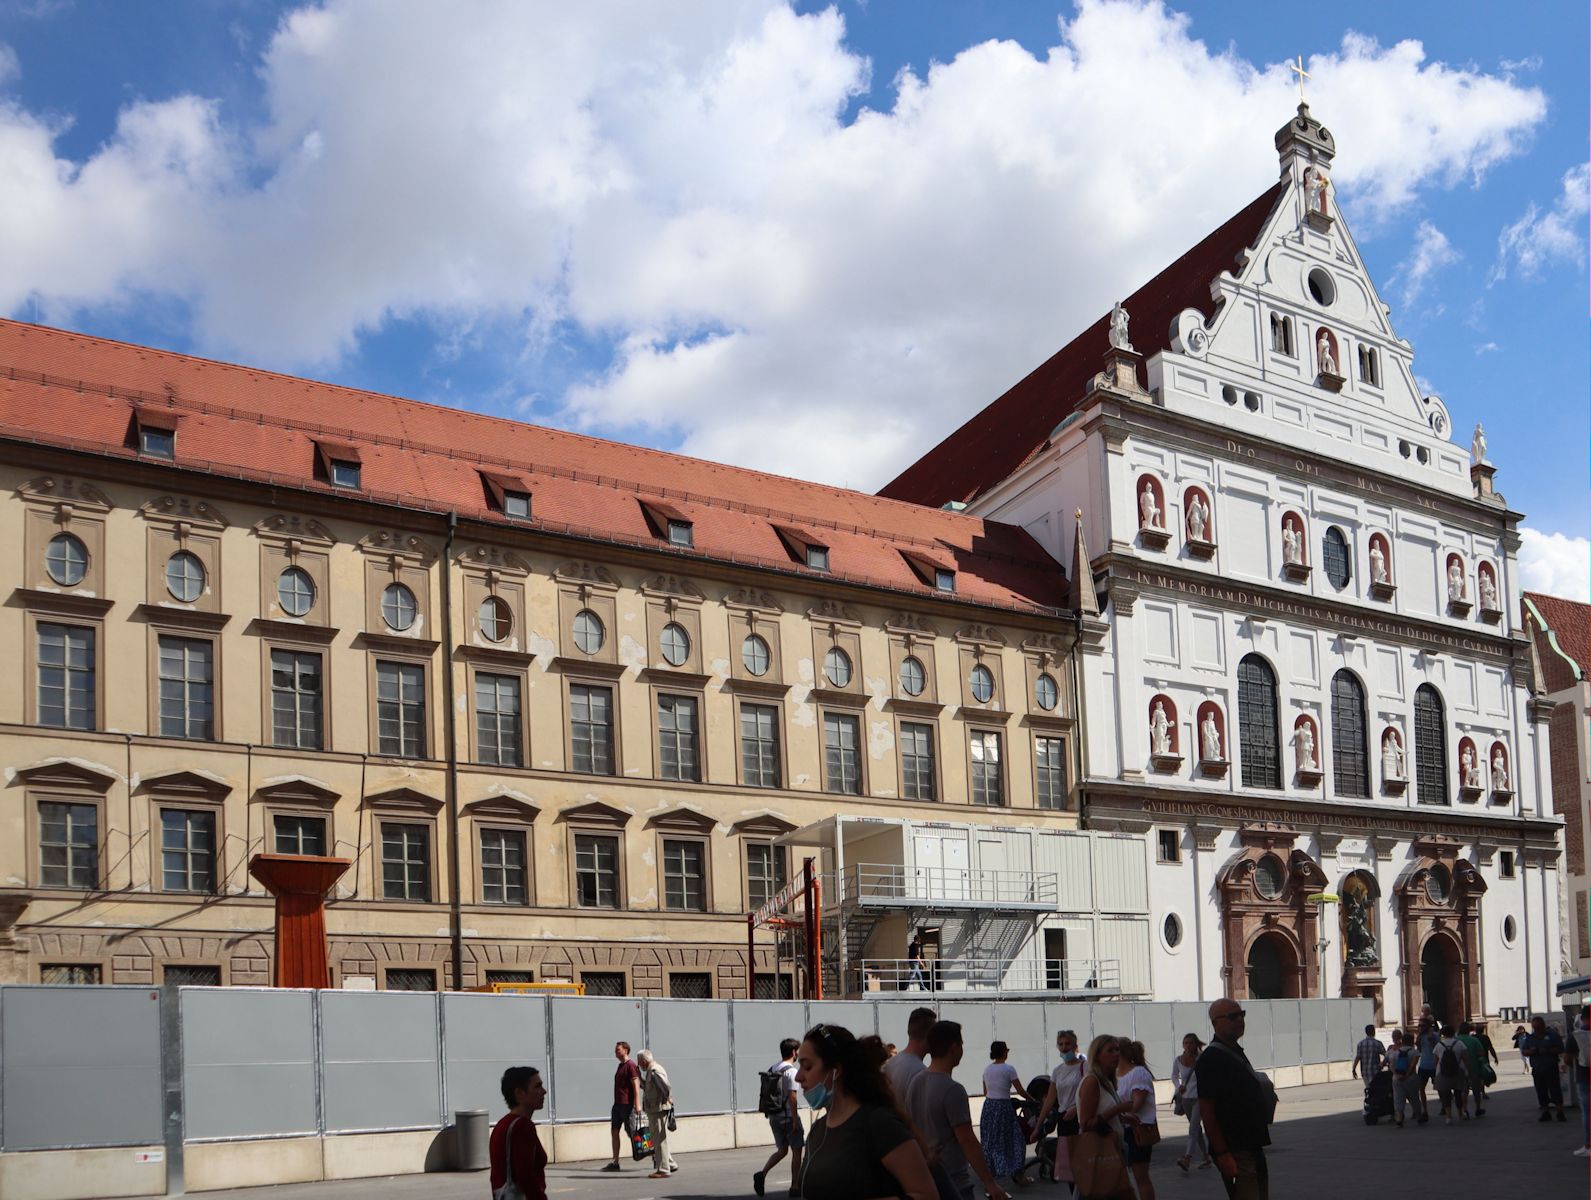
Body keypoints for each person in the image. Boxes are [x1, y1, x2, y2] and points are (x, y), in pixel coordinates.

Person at [796, 1022, 937, 1200]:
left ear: (836, 1071)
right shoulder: (817, 1131)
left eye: (807, 1067)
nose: (798, 1077)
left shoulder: (879, 1123)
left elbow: (927, 1195)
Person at [906, 1021, 1011, 1200]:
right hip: (953, 1180)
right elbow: (967, 1139)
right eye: (961, 1044)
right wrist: (989, 1182)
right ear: (954, 1047)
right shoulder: (952, 1089)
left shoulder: (916, 1081)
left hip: (925, 1175)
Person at [1196, 1000, 1273, 1200]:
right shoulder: (1211, 1059)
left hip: (1252, 1144)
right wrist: (1222, 1153)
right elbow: (1207, 1111)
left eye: (1241, 1014)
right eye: (1232, 1016)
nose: (1239, 1019)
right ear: (1215, 1023)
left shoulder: (1234, 1051)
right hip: (1236, 1149)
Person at [1074, 1034, 1134, 1200]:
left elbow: (1104, 1114)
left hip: (1113, 1154)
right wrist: (1117, 1109)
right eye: (1110, 1050)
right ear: (1098, 1055)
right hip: (1100, 1157)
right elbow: (1086, 1124)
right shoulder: (1092, 1082)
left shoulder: (1107, 1081)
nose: (1116, 1054)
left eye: (1117, 1050)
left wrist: (1124, 1118)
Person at [1029, 1029, 1084, 1194]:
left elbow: (1091, 1092)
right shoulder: (1057, 1071)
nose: (1064, 1047)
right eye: (1061, 1044)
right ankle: (1075, 1195)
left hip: (1080, 1118)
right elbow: (1049, 1101)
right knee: (1069, 1168)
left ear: (1075, 1045)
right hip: (1064, 1120)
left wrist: (1076, 1107)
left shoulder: (1084, 1067)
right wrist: (1038, 1127)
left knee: (1083, 1163)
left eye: (1068, 1044)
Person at [755, 1038, 804, 1199]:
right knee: (797, 1151)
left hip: (774, 1116)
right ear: (794, 1052)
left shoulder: (773, 1068)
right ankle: (795, 1187)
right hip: (789, 1117)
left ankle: (762, 1173)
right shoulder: (792, 1072)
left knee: (782, 1150)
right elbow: (793, 1097)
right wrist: (795, 1119)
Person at [490, 1065, 548, 1200]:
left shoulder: (502, 1124)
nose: (544, 1091)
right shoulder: (523, 1126)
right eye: (537, 1087)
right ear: (519, 1093)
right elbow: (526, 1178)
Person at [979, 1040, 1032, 1186]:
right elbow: (1020, 1090)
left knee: (991, 1141)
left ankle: (991, 1175)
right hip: (1004, 1107)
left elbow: (986, 1092)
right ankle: (1019, 1175)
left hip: (989, 1107)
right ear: (1004, 1052)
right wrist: (1033, 1100)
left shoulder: (987, 1070)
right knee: (1016, 1139)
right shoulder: (1009, 1069)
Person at [1115, 1039, 1157, 1200]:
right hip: (1121, 1130)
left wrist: (1118, 1115)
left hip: (1137, 1130)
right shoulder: (1115, 1076)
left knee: (1141, 1177)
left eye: (1113, 1050)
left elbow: (1136, 1104)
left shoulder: (1138, 1073)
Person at [635, 1049, 677, 1178]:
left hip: (657, 1109)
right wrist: (639, 1078)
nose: (639, 1065)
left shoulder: (654, 1070)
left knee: (659, 1140)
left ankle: (663, 1169)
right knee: (658, 1139)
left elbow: (665, 1087)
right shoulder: (650, 1071)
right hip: (655, 1108)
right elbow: (648, 1088)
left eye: (639, 1062)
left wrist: (666, 1101)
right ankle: (670, 1163)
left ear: (643, 1061)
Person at [1171, 1033, 1209, 1173]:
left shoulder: (1202, 1058)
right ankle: (1206, 1157)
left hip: (1200, 1098)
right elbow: (1174, 1075)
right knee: (1197, 1130)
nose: (1188, 1045)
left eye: (1190, 1043)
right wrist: (1178, 1086)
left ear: (1196, 1044)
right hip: (1186, 1098)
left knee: (1193, 1128)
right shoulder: (1178, 1060)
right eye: (1185, 1043)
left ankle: (1187, 1158)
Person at [604, 1040, 642, 1171]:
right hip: (617, 1105)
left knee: (631, 1132)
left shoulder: (631, 1065)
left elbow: (636, 1086)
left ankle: (652, 1153)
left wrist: (637, 1104)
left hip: (627, 1105)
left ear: (625, 1050)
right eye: (615, 1050)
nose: (616, 1052)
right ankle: (615, 1162)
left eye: (618, 1050)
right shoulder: (620, 1066)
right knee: (614, 1131)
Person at [1521, 1015, 1567, 1122]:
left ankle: (1560, 1111)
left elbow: (1561, 1048)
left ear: (1543, 1026)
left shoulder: (1552, 1035)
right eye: (1534, 1028)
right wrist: (1532, 1051)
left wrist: (1547, 1050)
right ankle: (1545, 1112)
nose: (1536, 1030)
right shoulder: (1530, 1038)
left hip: (1550, 1067)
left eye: (1538, 1027)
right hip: (1537, 1068)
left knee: (1555, 1089)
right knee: (1541, 1091)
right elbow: (1524, 1051)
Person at [1431, 1024, 1470, 1124]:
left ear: (1443, 1034)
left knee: (1445, 1094)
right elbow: (1465, 1058)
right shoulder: (1459, 1043)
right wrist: (1467, 1071)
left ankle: (1448, 1116)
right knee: (1458, 1093)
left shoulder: (1439, 1045)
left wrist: (1436, 1071)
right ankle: (1460, 1114)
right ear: (1453, 1033)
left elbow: (1435, 1061)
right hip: (1458, 1071)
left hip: (1442, 1072)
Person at [1456, 1023, 1489, 1116]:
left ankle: (1464, 1109)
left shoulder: (1456, 1040)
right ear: (1469, 1030)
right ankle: (1478, 1108)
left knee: (1463, 1091)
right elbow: (1481, 1053)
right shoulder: (1474, 1040)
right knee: (1476, 1090)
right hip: (1474, 1068)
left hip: (1460, 1069)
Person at [1388, 1031, 1420, 1128]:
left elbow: (1391, 1065)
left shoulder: (1395, 1052)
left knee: (1398, 1098)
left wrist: (1396, 1075)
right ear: (1411, 1041)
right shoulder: (1414, 1052)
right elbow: (1413, 1065)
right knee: (1414, 1098)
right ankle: (1419, 1116)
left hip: (1397, 1079)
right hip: (1411, 1078)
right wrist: (1407, 1075)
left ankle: (1399, 1118)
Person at [1572, 1007, 1590, 1156]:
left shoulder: (1576, 1035)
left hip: (1584, 1077)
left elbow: (1566, 1058)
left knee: (1587, 1113)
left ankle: (1588, 1146)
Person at [1412, 1020, 1437, 1123]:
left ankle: (1445, 1106)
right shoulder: (1421, 1037)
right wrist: (1418, 1037)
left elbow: (1437, 1047)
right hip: (1423, 1065)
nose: (1420, 1027)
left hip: (1434, 1065)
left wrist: (1431, 1038)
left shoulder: (1435, 1035)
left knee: (1440, 1088)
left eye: (1422, 1026)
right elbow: (1419, 1048)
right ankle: (1425, 1110)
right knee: (1421, 1088)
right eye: (1419, 1026)